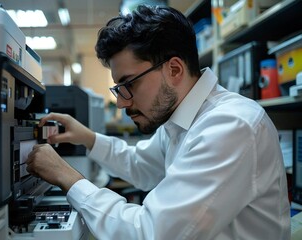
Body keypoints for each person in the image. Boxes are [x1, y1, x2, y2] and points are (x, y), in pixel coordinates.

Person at [26, 5, 290, 239]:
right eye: (118, 89)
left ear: (174, 69)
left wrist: (67, 176)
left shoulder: (230, 126)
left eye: (128, 84)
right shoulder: (181, 119)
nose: (121, 102)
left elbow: (151, 233)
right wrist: (87, 137)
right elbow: (140, 165)